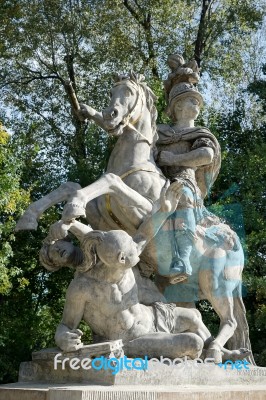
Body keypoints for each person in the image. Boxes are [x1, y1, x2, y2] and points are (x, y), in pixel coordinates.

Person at [39, 185, 250, 363]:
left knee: (194, 316)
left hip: (152, 317)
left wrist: (165, 210)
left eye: (56, 247)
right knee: (192, 342)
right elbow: (66, 325)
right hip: (131, 339)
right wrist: (63, 338)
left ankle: (220, 350)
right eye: (53, 255)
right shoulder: (81, 287)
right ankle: (206, 357)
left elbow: (143, 235)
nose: (134, 259)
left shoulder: (119, 255)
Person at [156, 54, 221, 280]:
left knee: (182, 195)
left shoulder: (200, 134)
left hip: (185, 182)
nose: (197, 104)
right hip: (158, 180)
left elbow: (205, 155)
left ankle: (183, 260)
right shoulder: (160, 132)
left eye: (197, 101)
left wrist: (173, 160)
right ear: (178, 105)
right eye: (192, 100)